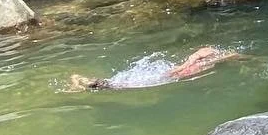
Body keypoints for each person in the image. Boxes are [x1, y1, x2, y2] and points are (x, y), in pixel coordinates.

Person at [67, 45, 240, 91]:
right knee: (121, 85)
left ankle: (80, 82)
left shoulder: (212, 60)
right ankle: (80, 82)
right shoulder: (209, 54)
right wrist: (181, 68)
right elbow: (193, 57)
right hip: (168, 75)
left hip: (169, 76)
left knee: (122, 84)